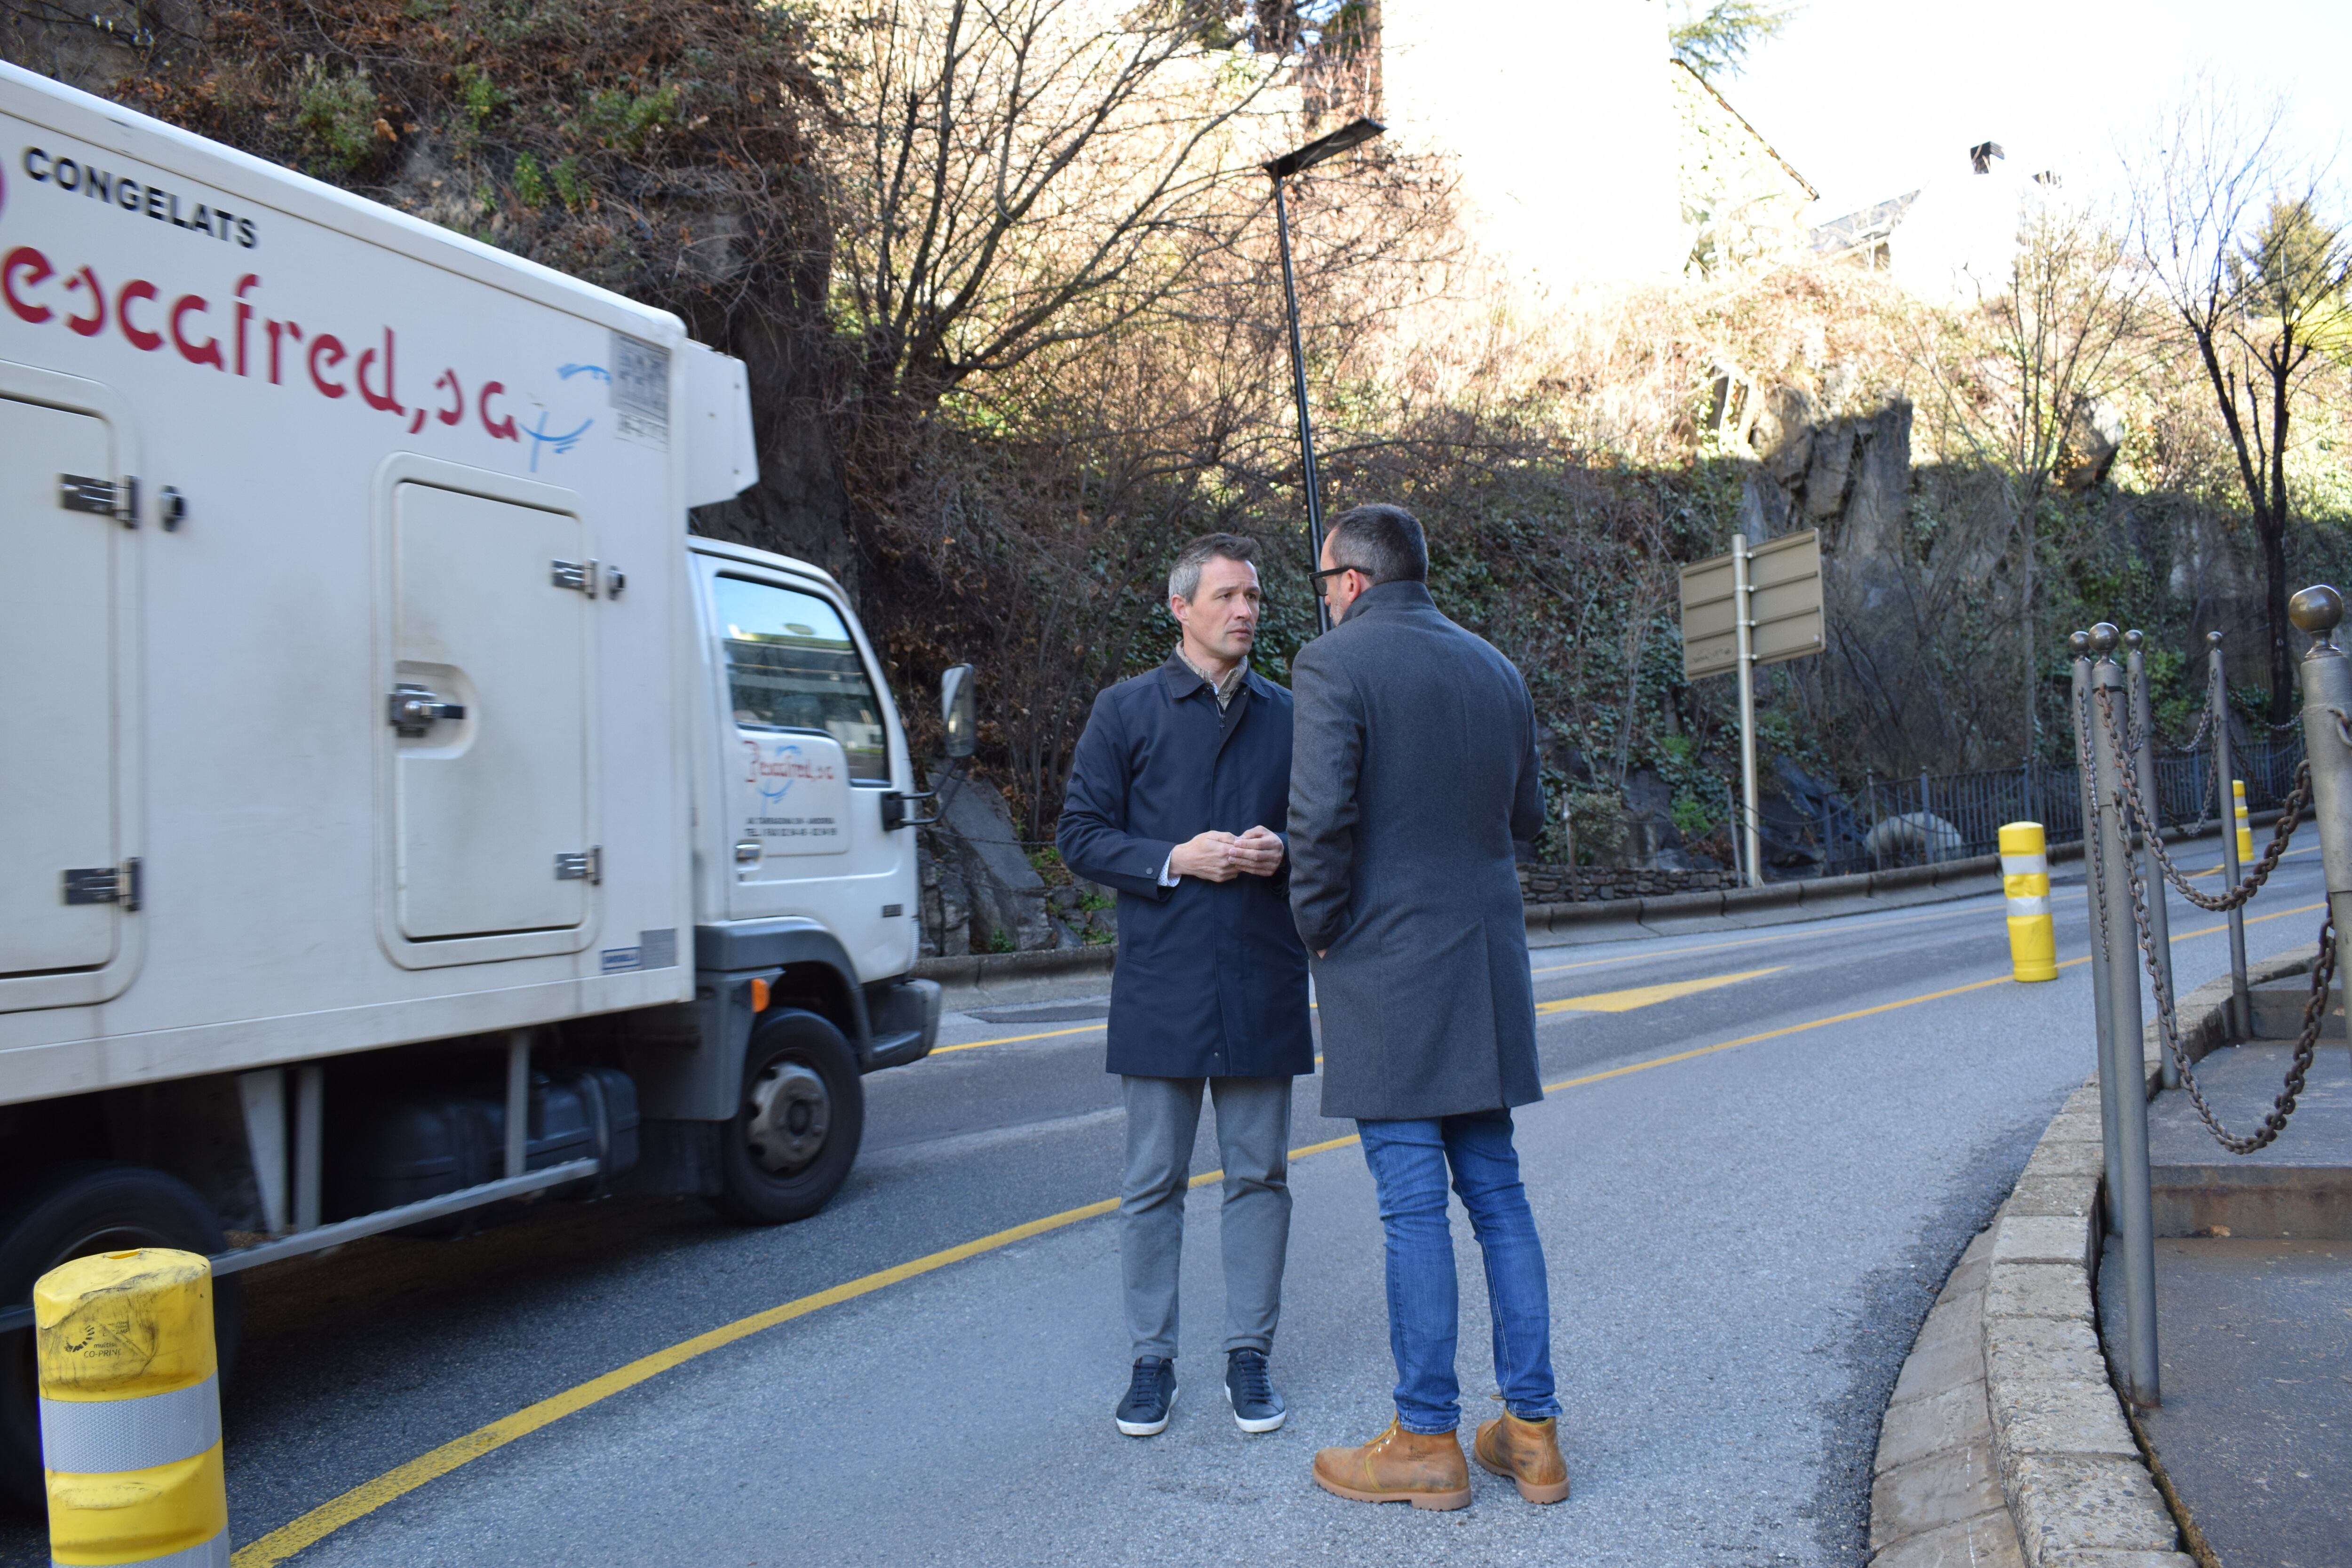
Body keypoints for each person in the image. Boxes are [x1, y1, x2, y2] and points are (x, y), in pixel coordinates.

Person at [1287, 502, 1570, 1511]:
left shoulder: (1334, 666)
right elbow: (1525, 820)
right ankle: (1531, 1435)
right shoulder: (1495, 668)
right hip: (1484, 963)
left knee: (1411, 1199)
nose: (1323, 600)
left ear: (1352, 581)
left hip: (1387, 965)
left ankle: (1424, 1438)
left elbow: (1319, 822)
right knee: (1497, 1193)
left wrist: (1319, 929)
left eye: (1325, 583)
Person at [1057, 532, 1313, 1439]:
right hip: (1162, 983)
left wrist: (1284, 851)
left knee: (1259, 1175)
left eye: (1253, 597)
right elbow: (1079, 834)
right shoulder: (1125, 709)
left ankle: (1249, 1357)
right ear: (1181, 608)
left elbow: (1330, 835)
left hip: (1261, 977)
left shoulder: (1291, 712)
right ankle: (1151, 1363)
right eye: (1228, 596)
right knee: (1152, 1181)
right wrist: (1173, 856)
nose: (1246, 610)